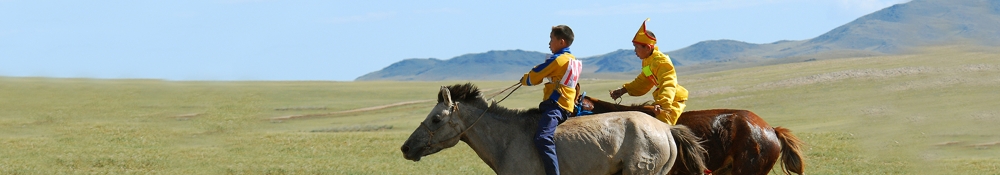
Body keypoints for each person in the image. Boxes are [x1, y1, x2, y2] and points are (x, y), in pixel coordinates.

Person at [520, 24, 581, 175]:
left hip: (557, 105)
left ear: (562, 42)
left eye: (551, 39)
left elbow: (535, 76)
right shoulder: (573, 60)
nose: (549, 43)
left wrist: (525, 79)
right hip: (566, 104)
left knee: (542, 138)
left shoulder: (559, 60)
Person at [609, 18, 689, 125]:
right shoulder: (647, 62)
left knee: (662, 128)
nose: (634, 51)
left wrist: (662, 104)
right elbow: (643, 81)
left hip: (672, 101)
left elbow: (668, 83)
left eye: (636, 47)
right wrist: (624, 90)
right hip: (663, 101)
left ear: (647, 47)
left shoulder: (661, 61)